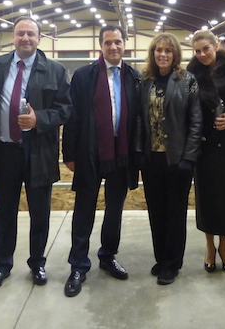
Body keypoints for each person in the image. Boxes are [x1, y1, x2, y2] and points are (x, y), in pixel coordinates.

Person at [0, 17, 71, 291]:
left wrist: (39, 119)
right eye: (21, 33)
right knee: (4, 210)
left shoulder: (54, 70)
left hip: (38, 152)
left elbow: (66, 109)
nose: (25, 38)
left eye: (31, 34)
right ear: (13, 37)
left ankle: (37, 263)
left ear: (39, 38)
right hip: (4, 151)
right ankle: (2, 264)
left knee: (39, 212)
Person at [62, 25, 141, 297]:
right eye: (108, 43)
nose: (113, 47)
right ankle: (78, 265)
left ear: (125, 44)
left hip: (122, 154)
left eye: (118, 42)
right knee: (84, 208)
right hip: (89, 152)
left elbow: (138, 119)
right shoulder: (84, 75)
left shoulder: (133, 76)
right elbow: (72, 117)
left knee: (114, 208)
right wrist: (69, 154)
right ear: (101, 46)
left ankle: (108, 256)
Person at [136, 32, 202, 285]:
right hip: (151, 158)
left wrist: (189, 158)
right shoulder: (144, 81)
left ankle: (173, 263)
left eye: (168, 50)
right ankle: (160, 257)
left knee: (175, 212)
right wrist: (139, 151)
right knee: (156, 210)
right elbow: (140, 119)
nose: (162, 54)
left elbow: (196, 121)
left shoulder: (188, 81)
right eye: (158, 50)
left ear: (175, 54)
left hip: (177, 159)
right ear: (153, 54)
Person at [187, 30, 225, 274]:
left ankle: (224, 246)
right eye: (197, 50)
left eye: (206, 49)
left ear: (216, 46)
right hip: (205, 146)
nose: (201, 54)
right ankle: (210, 246)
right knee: (207, 197)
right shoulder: (191, 74)